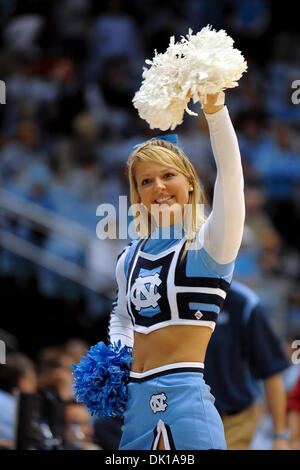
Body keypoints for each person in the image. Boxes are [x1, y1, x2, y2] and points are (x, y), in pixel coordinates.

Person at [107, 92, 245, 450]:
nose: (158, 188)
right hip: (135, 408)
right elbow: (123, 318)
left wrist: (215, 112)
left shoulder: (209, 245)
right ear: (137, 193)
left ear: (189, 182)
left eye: (168, 175)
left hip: (185, 401)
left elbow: (231, 177)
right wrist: (115, 360)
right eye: (145, 181)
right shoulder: (128, 258)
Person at [204, 279, 291, 450]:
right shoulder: (171, 296)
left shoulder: (243, 302)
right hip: (185, 419)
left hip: (234, 422)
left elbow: (271, 372)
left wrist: (280, 436)